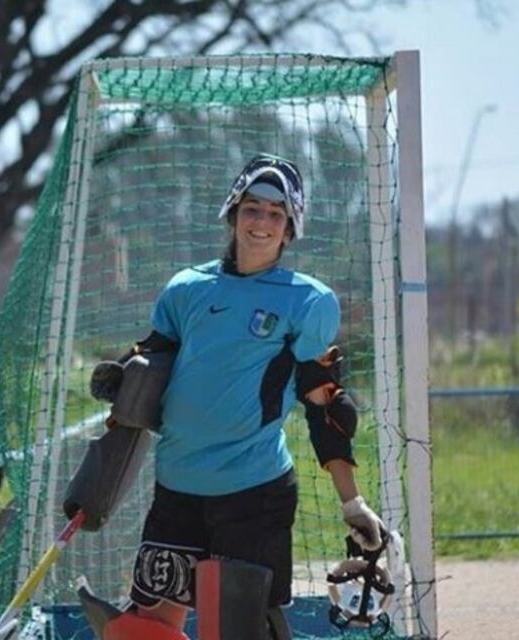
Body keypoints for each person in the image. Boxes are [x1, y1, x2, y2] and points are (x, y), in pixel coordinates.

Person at [84, 154, 387, 640]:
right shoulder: (185, 288)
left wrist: (352, 503)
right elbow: (150, 367)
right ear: (233, 213)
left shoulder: (307, 301)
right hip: (177, 488)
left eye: (275, 213)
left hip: (254, 493)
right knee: (143, 630)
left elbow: (326, 405)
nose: (261, 222)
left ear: (290, 228)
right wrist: (118, 378)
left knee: (240, 632)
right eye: (252, 207)